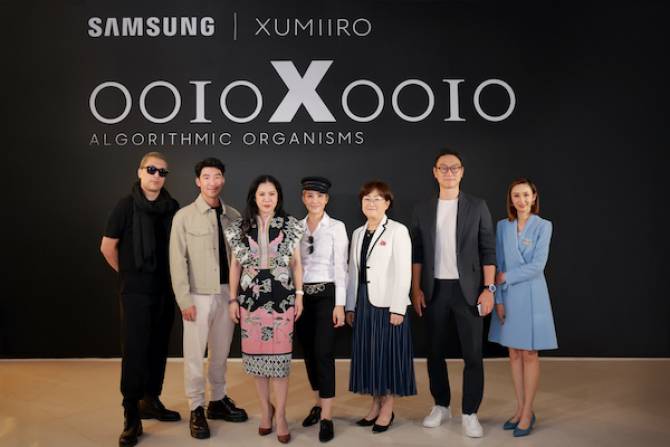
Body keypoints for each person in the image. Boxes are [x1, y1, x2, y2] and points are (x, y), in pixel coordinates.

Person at [410, 149, 496, 438]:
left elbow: (488, 249)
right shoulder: (422, 208)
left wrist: (488, 288)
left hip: (468, 291)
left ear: (462, 172)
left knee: (472, 354)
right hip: (434, 289)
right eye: (443, 168)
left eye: (454, 167)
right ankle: (441, 405)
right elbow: (417, 253)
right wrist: (416, 288)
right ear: (435, 172)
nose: (449, 172)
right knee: (434, 351)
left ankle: (470, 412)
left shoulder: (477, 206)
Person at [100, 152, 180, 447]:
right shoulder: (126, 206)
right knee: (135, 351)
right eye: (152, 170)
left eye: (162, 172)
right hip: (135, 291)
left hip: (165, 289)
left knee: (158, 347)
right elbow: (107, 247)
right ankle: (131, 414)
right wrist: (128, 274)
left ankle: (151, 401)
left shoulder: (172, 207)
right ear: (140, 172)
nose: (157, 175)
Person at [169, 158, 248, 439]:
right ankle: (196, 407)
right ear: (198, 181)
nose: (212, 182)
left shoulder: (233, 216)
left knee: (221, 352)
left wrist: (237, 297)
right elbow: (177, 261)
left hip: (227, 294)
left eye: (217, 176)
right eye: (206, 176)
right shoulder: (184, 217)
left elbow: (241, 259)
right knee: (194, 355)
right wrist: (184, 300)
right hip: (197, 295)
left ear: (223, 179)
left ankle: (217, 400)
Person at [224, 175, 304, 444]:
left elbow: (296, 264)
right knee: (257, 363)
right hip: (251, 300)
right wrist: (233, 300)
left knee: (280, 363)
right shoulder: (240, 227)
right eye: (262, 194)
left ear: (278, 197)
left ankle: (280, 415)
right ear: (254, 197)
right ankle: (265, 411)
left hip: (282, 298)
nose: (267, 199)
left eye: (272, 194)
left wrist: (300, 295)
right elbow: (235, 266)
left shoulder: (291, 225)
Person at [488, 178, 557, 437]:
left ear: (534, 197)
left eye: (526, 195)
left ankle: (528, 411)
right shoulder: (502, 226)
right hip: (507, 296)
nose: (521, 200)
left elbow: (538, 266)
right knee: (514, 353)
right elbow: (499, 263)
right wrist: (498, 300)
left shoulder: (543, 226)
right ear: (511, 199)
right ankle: (519, 408)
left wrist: (506, 277)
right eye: (516, 195)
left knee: (529, 354)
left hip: (532, 296)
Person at [346, 180, 416, 434]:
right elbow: (353, 272)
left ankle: (387, 408)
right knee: (369, 355)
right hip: (363, 301)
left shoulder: (397, 230)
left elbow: (404, 271)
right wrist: (350, 306)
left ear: (387, 203)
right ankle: (375, 405)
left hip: (388, 303)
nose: (371, 203)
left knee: (387, 356)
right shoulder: (357, 233)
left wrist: (398, 307)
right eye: (367, 199)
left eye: (377, 199)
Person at [295, 176, 348, 443]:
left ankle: (327, 417)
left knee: (324, 353)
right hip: (302, 296)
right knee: (308, 353)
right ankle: (318, 403)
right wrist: (295, 296)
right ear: (303, 198)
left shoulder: (336, 227)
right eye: (309, 195)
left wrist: (340, 304)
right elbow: (293, 265)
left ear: (326, 199)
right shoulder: (296, 227)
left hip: (327, 295)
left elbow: (341, 267)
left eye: (319, 196)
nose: (314, 200)